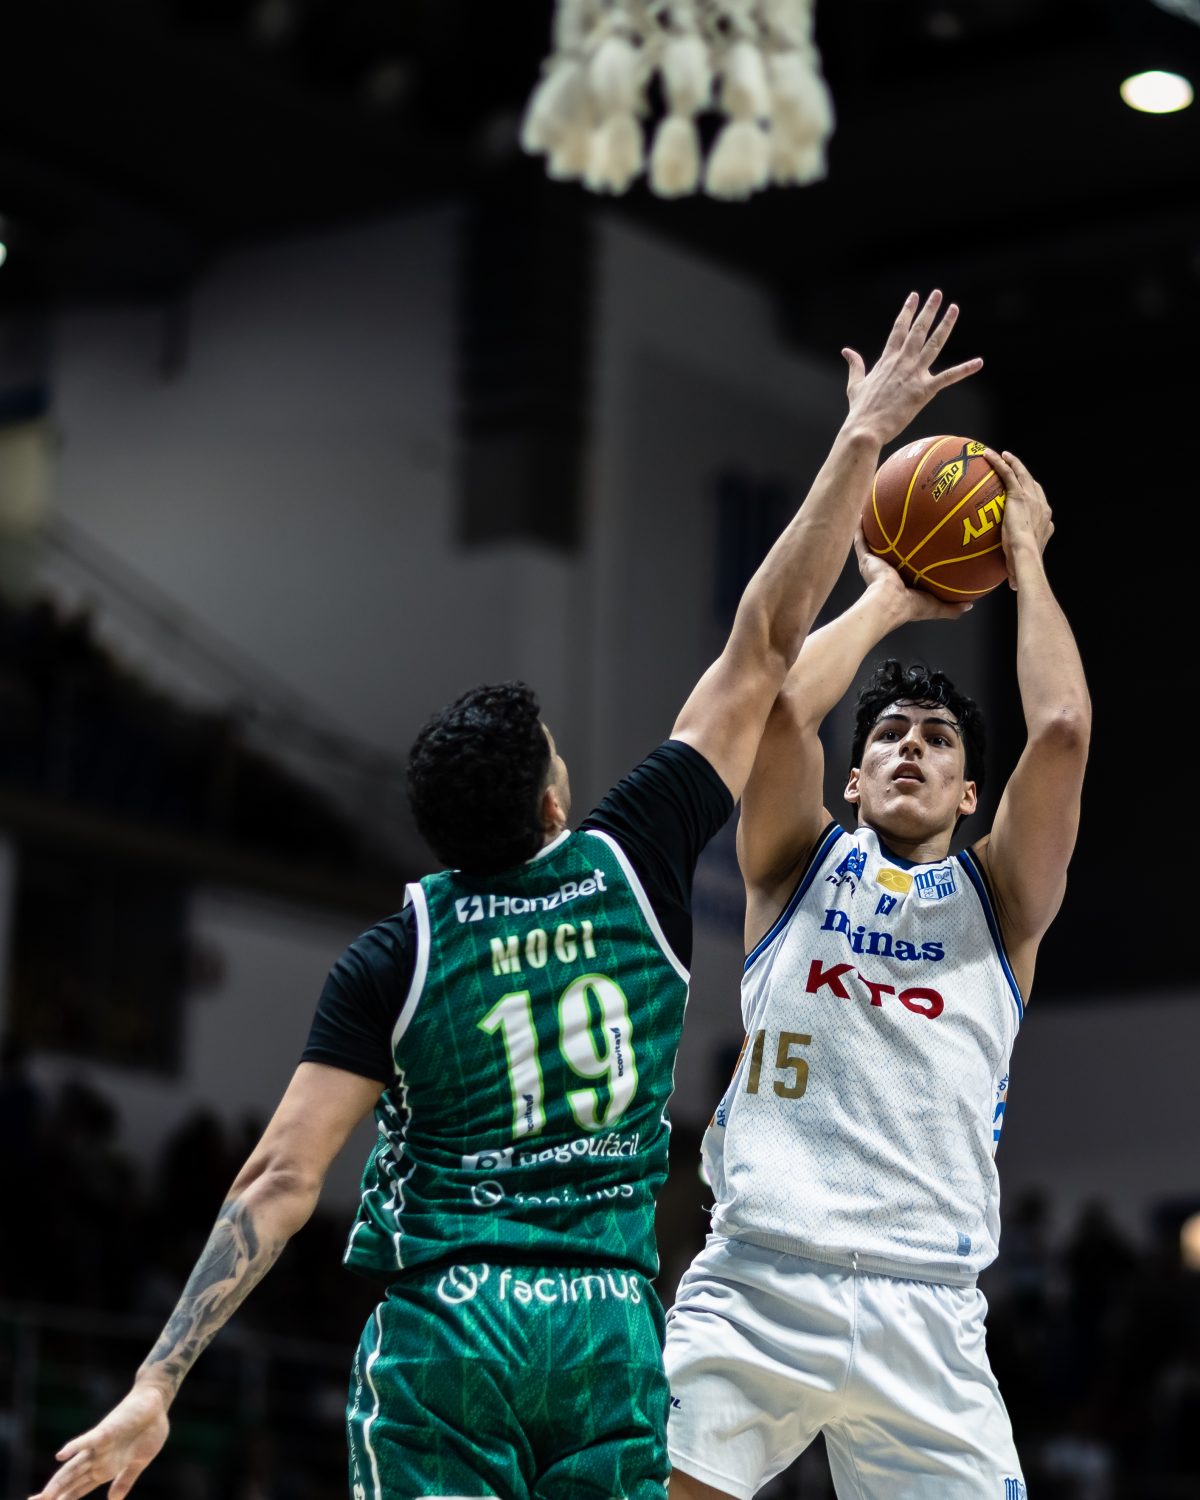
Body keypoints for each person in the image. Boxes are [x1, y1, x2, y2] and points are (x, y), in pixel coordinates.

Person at [29, 289, 982, 1500]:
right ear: (549, 802)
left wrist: (157, 1382)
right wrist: (862, 440)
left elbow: (278, 1179)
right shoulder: (630, 861)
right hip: (604, 1331)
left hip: (451, 1331)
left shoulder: (395, 953)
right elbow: (763, 646)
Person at [662, 449, 1091, 1500]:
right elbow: (776, 713)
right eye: (890, 735)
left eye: (938, 741)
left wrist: (1026, 558)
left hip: (930, 1304)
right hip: (761, 1278)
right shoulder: (794, 866)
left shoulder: (1003, 901)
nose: (910, 749)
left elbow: (1063, 730)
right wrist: (891, 598)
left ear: (971, 794)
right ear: (851, 781)